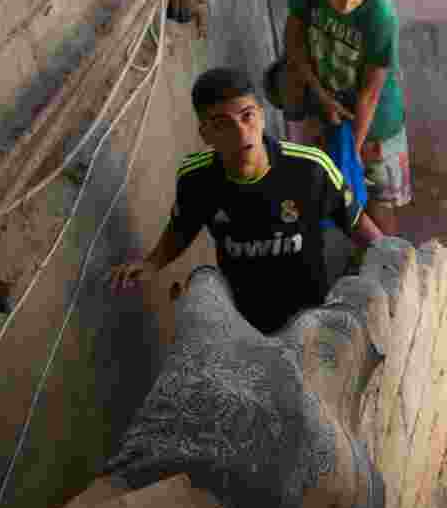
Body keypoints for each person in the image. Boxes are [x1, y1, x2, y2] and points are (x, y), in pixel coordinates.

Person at [109, 67, 383, 335]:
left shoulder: (310, 168)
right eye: (222, 124)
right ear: (205, 134)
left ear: (262, 117)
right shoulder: (196, 178)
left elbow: (357, 223)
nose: (240, 132)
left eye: (247, 116)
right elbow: (182, 228)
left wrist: (393, 264)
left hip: (308, 322)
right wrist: (152, 263)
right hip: (240, 323)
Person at [278, 0, 411, 237]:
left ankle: (385, 262)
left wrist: (352, 152)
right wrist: (320, 94)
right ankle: (362, 255)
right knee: (338, 196)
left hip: (376, 123)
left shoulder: (380, 15)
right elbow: (294, 41)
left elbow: (370, 94)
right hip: (328, 110)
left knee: (377, 202)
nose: (345, 6)